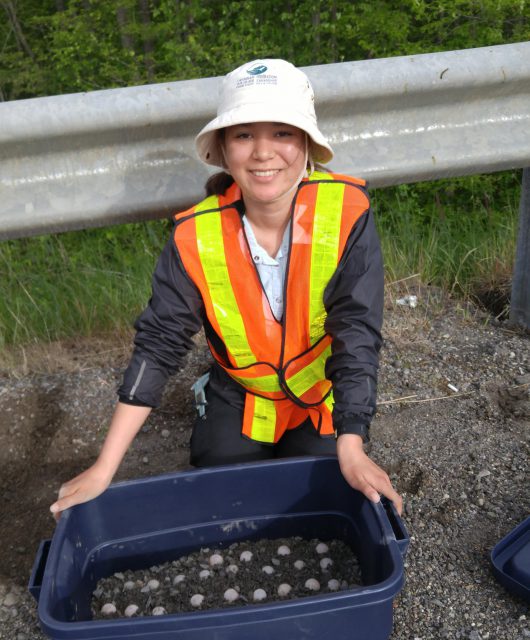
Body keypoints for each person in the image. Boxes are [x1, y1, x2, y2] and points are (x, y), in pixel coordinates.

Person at [50, 59, 402, 519]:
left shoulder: (348, 211)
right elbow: (158, 345)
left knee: (324, 485)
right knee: (223, 487)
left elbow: (356, 330)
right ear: (222, 147)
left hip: (318, 392)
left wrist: (352, 442)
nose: (262, 153)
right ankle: (209, 394)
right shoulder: (194, 236)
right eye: (243, 135)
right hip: (242, 391)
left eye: (282, 133)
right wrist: (104, 467)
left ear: (307, 144)